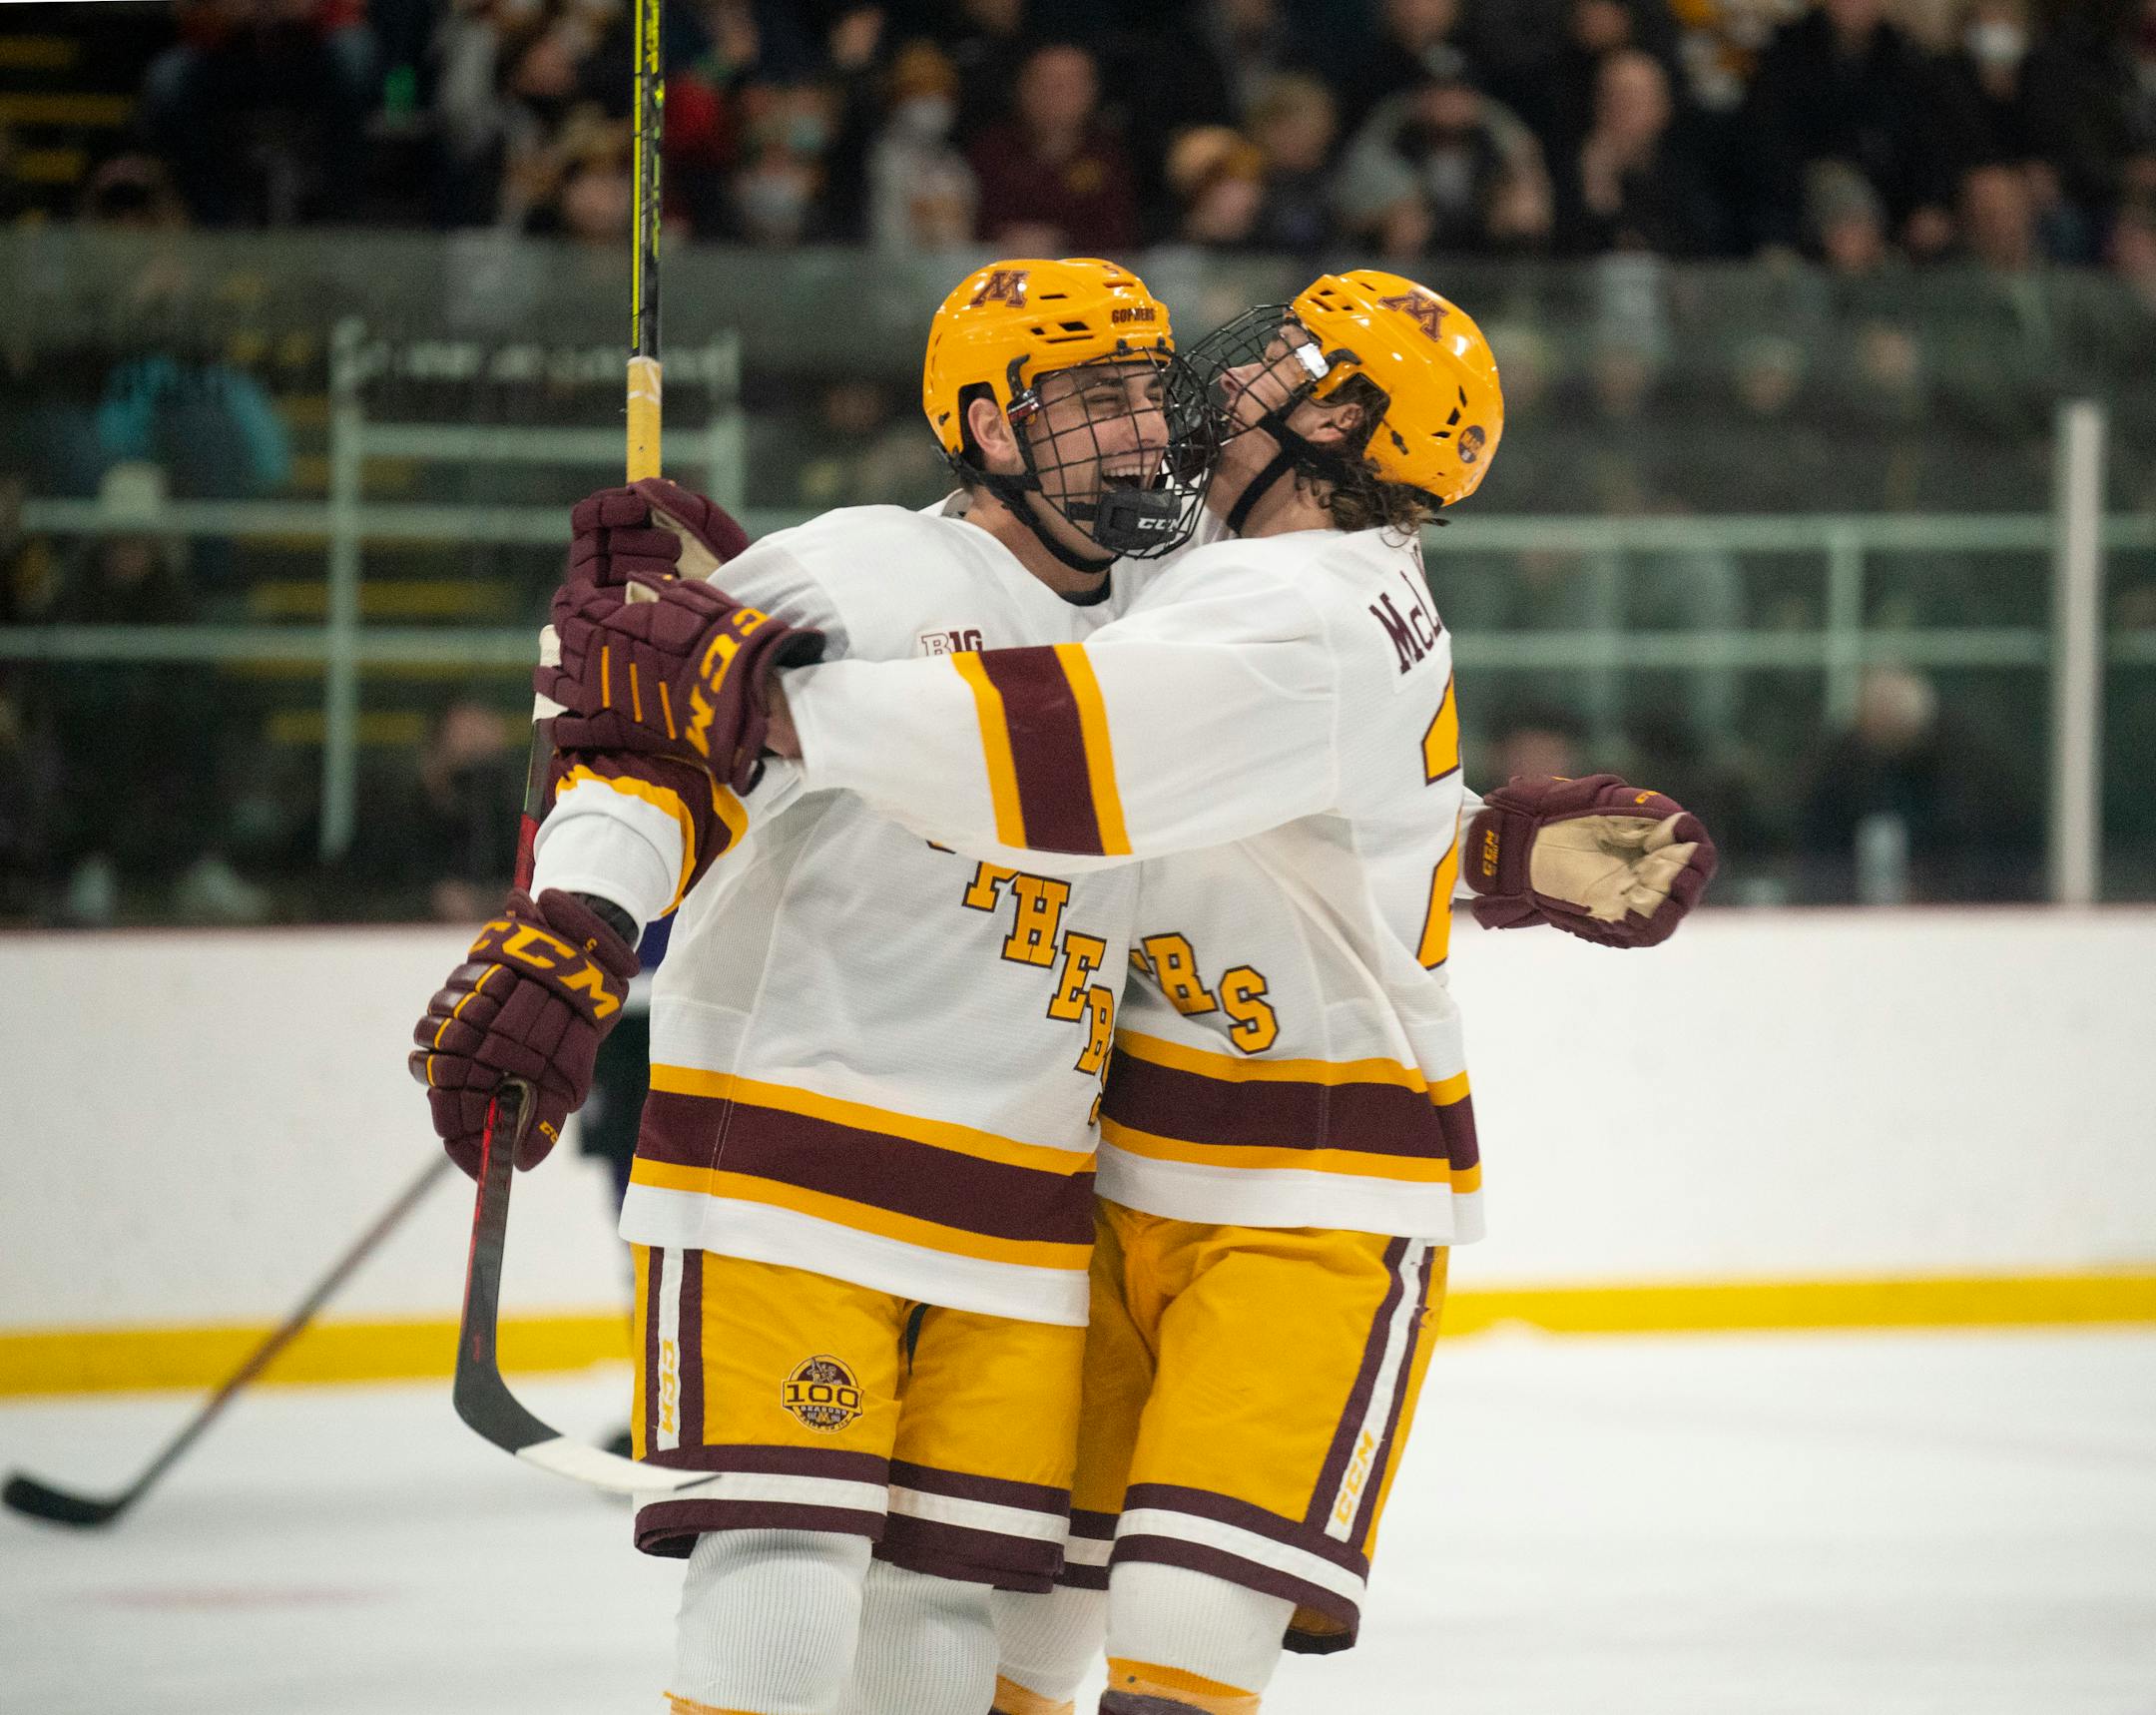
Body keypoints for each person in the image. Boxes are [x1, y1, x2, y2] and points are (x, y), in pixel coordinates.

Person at [548, 272, 1719, 1713]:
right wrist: (1471, 847)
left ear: (1339, 416)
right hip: (1109, 1176)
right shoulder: (1198, 565)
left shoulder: (1312, 607)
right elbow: (1289, 806)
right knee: (1011, 1632)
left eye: (1271, 365)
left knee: (1170, 1643)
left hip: (1312, 1188)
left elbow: (1071, 761)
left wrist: (765, 696)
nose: (1214, 385)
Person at [408, 256, 1211, 1715]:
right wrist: (578, 924)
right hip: (785, 1168)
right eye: (1095, 399)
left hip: (1025, 1200)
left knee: (936, 1623)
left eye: (1150, 395)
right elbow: (640, 729)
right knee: (783, 1585)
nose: (1141, 432)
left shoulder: (1175, 615)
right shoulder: (865, 566)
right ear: (984, 423)